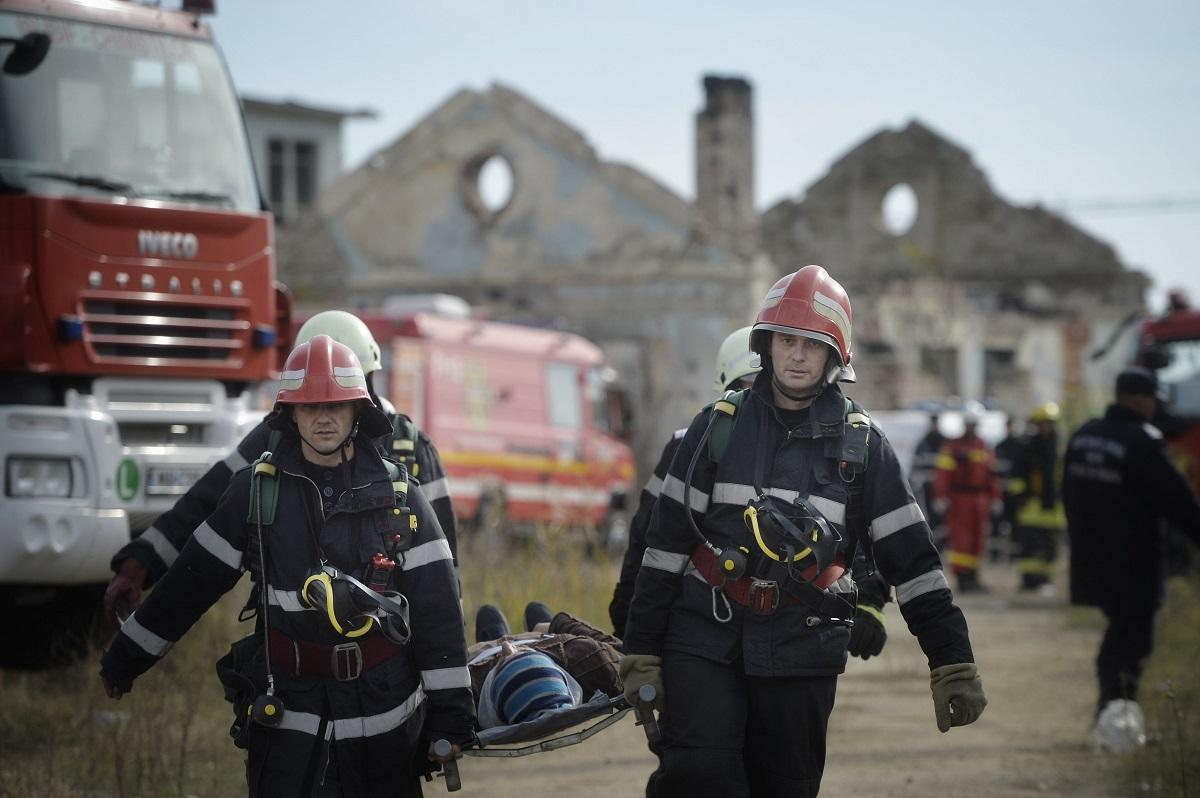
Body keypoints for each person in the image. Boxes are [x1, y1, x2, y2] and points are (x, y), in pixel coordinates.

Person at [620, 265, 985, 797]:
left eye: (811, 345)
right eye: (786, 340)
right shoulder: (714, 428)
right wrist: (642, 650)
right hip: (704, 638)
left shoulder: (865, 448)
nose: (795, 355)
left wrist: (951, 661)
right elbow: (663, 548)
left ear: (834, 357)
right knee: (699, 779)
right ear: (766, 346)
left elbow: (914, 564)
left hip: (802, 647)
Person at [99, 336, 474, 797]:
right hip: (291, 713)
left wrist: (451, 718)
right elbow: (190, 585)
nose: (323, 418)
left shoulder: (401, 496)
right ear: (289, 414)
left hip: (385, 718)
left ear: (358, 411)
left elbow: (437, 609)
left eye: (336, 405)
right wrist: (125, 659)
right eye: (310, 405)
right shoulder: (256, 493)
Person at [104, 310, 459, 622]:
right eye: (310, 397)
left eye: (340, 393)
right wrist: (141, 563)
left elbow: (442, 564)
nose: (325, 408)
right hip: (290, 652)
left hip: (388, 651)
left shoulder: (410, 447)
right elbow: (207, 501)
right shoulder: (276, 436)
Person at [608, 326, 889, 660]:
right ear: (727, 391)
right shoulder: (693, 445)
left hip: (793, 637)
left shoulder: (828, 447)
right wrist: (632, 628)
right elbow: (650, 539)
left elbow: (855, 532)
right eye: (749, 387)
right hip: (702, 627)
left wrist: (870, 601)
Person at [1063, 366, 1200, 751]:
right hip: (1134, 564)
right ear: (1141, 399)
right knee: (1133, 644)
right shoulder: (1142, 442)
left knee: (1116, 638)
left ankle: (1108, 718)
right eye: (1153, 400)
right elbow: (1180, 504)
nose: (1155, 408)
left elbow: (1068, 497)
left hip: (1091, 560)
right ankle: (1117, 726)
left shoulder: (1084, 436)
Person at [468, 603, 624, 728]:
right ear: (561, 673)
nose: (507, 646)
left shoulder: (472, 688)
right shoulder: (592, 663)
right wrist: (555, 625)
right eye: (528, 654)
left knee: (488, 613)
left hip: (486, 656)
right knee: (536, 609)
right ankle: (519, 658)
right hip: (546, 640)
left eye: (502, 664)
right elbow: (619, 649)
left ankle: (502, 646)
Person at [933, 406, 1000, 592]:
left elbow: (992, 474)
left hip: (980, 499)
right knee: (961, 538)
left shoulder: (983, 446)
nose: (971, 427)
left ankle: (974, 576)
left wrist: (995, 497)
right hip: (959, 499)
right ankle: (963, 578)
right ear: (964, 424)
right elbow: (943, 474)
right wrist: (941, 496)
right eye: (969, 424)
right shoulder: (953, 447)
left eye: (974, 424)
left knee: (978, 538)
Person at [1013, 402, 1066, 593]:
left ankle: (1045, 579)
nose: (1047, 427)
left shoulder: (1058, 448)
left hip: (1052, 507)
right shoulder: (1028, 448)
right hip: (1031, 506)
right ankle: (1029, 580)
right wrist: (1020, 496)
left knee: (1050, 546)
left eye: (1050, 423)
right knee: (1030, 545)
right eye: (1044, 423)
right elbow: (1018, 474)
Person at [990, 416, 1025, 563]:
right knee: (996, 524)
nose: (1010, 429)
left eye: (1012, 426)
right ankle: (995, 553)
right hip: (1001, 493)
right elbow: (994, 470)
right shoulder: (999, 447)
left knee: (1015, 525)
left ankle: (1014, 555)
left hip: (1016, 494)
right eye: (1008, 426)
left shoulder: (1021, 447)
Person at [911, 411, 946, 546]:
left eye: (936, 423)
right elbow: (916, 463)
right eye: (932, 423)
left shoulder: (945, 442)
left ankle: (943, 544)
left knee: (942, 517)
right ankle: (933, 542)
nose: (934, 426)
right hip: (927, 486)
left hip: (942, 487)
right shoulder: (923, 442)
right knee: (929, 515)